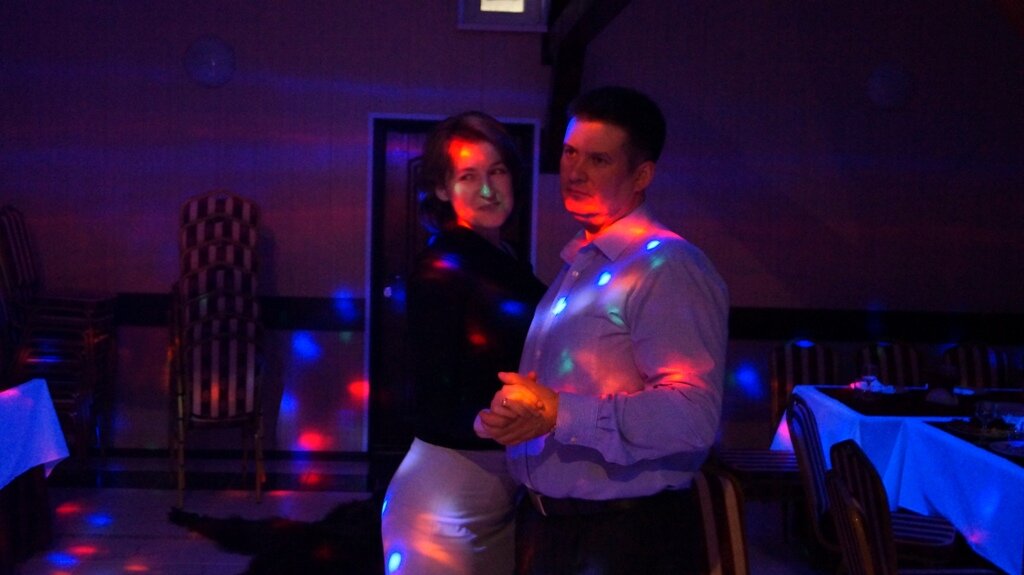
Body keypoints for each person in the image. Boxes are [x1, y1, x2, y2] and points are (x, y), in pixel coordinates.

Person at [477, 86, 730, 574]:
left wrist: (561, 413)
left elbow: (693, 415)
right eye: (570, 152)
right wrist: (520, 416)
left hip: (625, 537)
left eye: (598, 159)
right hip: (554, 530)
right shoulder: (583, 262)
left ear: (642, 175)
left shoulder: (667, 265)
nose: (574, 172)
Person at [380, 111, 547, 575]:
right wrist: (491, 420)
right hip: (443, 506)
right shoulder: (443, 267)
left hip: (495, 496)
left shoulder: (502, 256)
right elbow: (430, 395)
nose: (488, 189)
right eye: (468, 176)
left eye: (497, 171)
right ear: (441, 188)